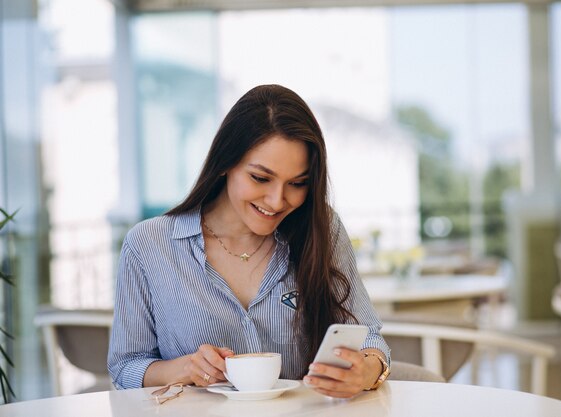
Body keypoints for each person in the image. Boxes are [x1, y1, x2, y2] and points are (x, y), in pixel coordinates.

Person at [107, 84, 390, 398]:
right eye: (260, 178)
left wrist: (366, 370)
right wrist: (188, 368)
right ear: (226, 163)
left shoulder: (321, 229)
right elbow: (126, 367)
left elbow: (371, 341)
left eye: (297, 183)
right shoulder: (149, 245)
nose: (277, 200)